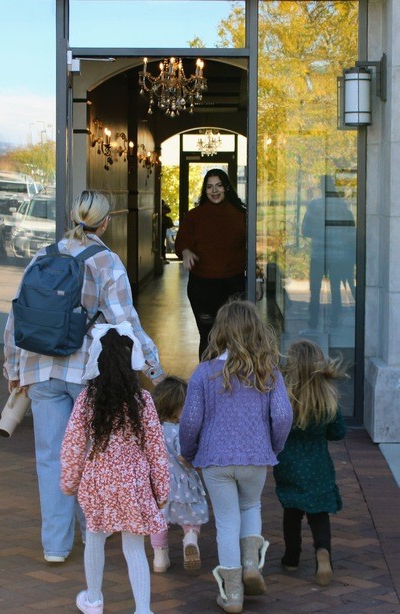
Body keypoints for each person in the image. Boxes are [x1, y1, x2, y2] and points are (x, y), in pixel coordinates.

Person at [3, 190, 165, 564]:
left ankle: (55, 546)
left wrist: (13, 368)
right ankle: (92, 531)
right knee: (93, 454)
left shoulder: (42, 256)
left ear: (70, 217)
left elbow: (16, 315)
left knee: (51, 457)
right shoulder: (106, 261)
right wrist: (154, 369)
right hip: (87, 372)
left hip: (40, 369)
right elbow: (126, 322)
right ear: (105, 223)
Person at [179, 300, 293, 613]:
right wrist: (274, 445)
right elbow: (283, 415)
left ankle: (232, 595)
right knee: (251, 505)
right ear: (256, 330)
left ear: (221, 331)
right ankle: (251, 564)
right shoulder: (268, 371)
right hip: (255, 455)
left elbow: (190, 421)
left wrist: (187, 452)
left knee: (227, 520)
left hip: (215, 458)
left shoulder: (204, 373)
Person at [59, 324, 170, 614]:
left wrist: (69, 481)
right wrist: (161, 490)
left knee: (95, 538)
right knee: (134, 547)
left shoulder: (88, 400)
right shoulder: (142, 400)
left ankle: (94, 600)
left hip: (98, 480)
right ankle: (143, 609)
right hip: (134, 482)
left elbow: (73, 445)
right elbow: (156, 450)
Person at [273, 339, 347, 586]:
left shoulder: (284, 396)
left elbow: (275, 427)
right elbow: (338, 432)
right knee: (319, 513)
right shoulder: (327, 397)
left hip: (289, 465)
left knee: (292, 512)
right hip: (318, 466)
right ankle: (323, 552)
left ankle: (291, 558)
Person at [174, 169, 247, 359]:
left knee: (234, 338)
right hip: (202, 288)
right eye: (209, 187)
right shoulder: (194, 216)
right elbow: (181, 242)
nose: (214, 191)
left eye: (219, 185)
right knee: (208, 336)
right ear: (204, 190)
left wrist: (258, 278)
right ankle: (206, 377)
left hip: (234, 286)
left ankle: (233, 376)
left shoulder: (241, 215)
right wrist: (186, 251)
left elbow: (252, 248)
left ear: (226, 187)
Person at [149, 376, 209, 573]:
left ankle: (160, 558)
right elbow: (184, 456)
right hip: (184, 484)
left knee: (159, 521)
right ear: (177, 408)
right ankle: (190, 539)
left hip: (158, 485)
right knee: (191, 515)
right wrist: (196, 463)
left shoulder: (153, 430)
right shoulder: (181, 431)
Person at [302, 175, 356, 330]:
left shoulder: (314, 205)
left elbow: (305, 230)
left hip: (318, 254)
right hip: (338, 256)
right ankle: (334, 321)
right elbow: (350, 231)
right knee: (335, 290)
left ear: (321, 187)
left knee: (315, 291)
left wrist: (318, 231)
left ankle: (313, 321)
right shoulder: (343, 205)